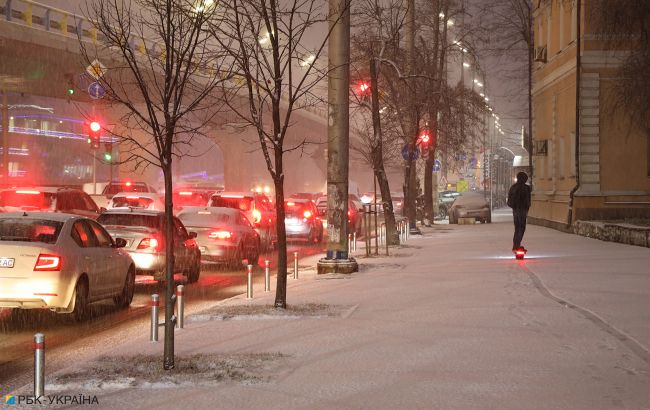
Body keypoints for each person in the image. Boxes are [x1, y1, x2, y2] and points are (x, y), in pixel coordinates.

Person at [507, 172, 532, 251]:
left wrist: (514, 207)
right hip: (523, 210)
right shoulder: (527, 188)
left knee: (517, 228)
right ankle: (517, 244)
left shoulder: (513, 187)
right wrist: (526, 207)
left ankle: (516, 245)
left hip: (516, 210)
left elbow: (509, 201)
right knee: (522, 228)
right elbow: (528, 200)